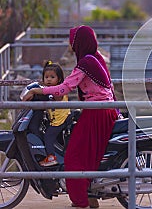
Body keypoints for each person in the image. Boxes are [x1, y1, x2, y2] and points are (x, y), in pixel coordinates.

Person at [22, 25, 118, 209]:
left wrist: (37, 89)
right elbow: (110, 87)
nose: (70, 43)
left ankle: (80, 201)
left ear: (79, 42)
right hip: (105, 110)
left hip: (96, 113)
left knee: (73, 156)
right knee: (89, 154)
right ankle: (90, 195)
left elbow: (64, 88)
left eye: (72, 39)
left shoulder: (86, 63)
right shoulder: (96, 58)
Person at [40, 61, 71, 167]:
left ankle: (51, 157)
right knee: (57, 139)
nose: (48, 79)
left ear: (59, 79)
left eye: (52, 77)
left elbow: (57, 96)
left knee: (48, 136)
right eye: (46, 77)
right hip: (57, 119)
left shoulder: (59, 90)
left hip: (60, 120)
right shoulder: (49, 90)